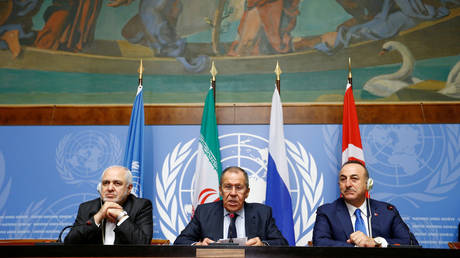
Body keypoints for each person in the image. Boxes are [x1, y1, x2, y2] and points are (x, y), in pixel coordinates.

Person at [174, 166, 288, 246]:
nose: (233, 193)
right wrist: (199, 244)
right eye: (228, 187)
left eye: (238, 187)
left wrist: (263, 244)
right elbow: (180, 241)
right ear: (220, 190)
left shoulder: (262, 213)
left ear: (247, 192)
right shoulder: (204, 212)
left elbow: (282, 243)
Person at [312, 160, 417, 247]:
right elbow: (320, 243)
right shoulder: (327, 212)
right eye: (343, 179)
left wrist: (377, 243)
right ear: (339, 184)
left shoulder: (387, 211)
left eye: (354, 179)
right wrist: (359, 246)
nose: (348, 184)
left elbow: (410, 243)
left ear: (368, 184)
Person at [64, 165, 152, 244]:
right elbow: (70, 243)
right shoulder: (86, 208)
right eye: (106, 183)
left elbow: (143, 244)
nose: (110, 188)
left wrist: (121, 217)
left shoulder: (141, 206)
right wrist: (98, 217)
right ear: (100, 187)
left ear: (129, 188)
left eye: (117, 183)